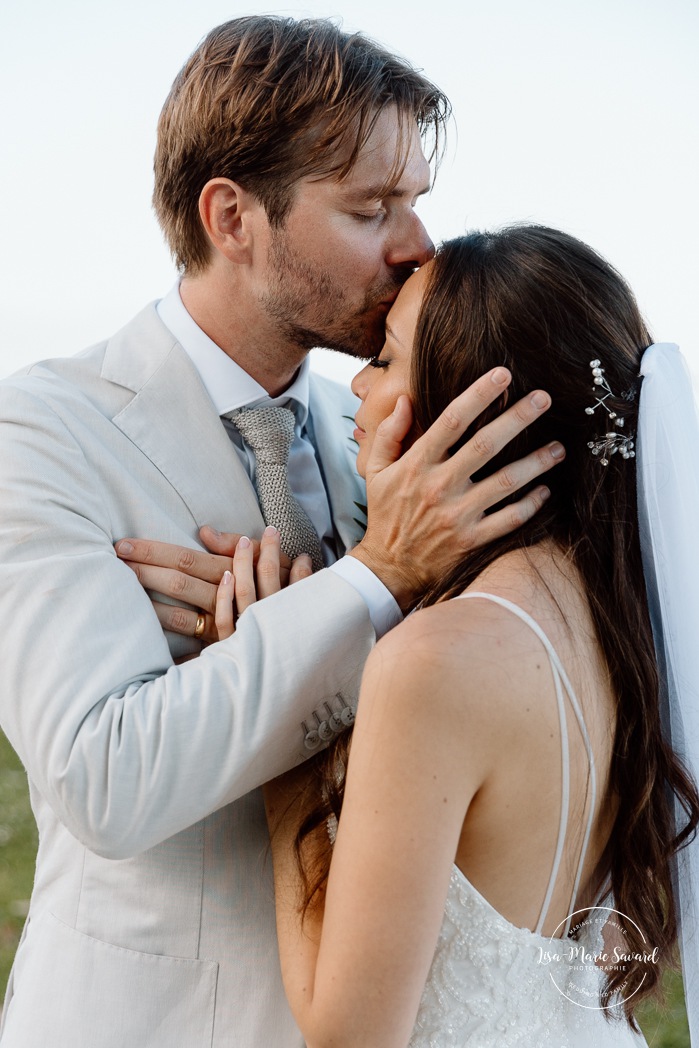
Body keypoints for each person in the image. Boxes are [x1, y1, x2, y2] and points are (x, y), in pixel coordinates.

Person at [0, 18, 560, 1048]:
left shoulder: (381, 453)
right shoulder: (43, 430)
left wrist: (289, 626)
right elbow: (107, 780)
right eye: (369, 208)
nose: (418, 246)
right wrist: (374, 576)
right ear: (232, 217)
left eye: (415, 203)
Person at [206, 227, 698, 1047]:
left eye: (389, 358)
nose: (356, 384)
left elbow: (349, 1034)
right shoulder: (619, 625)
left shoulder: (436, 661)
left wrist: (283, 751)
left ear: (472, 416)